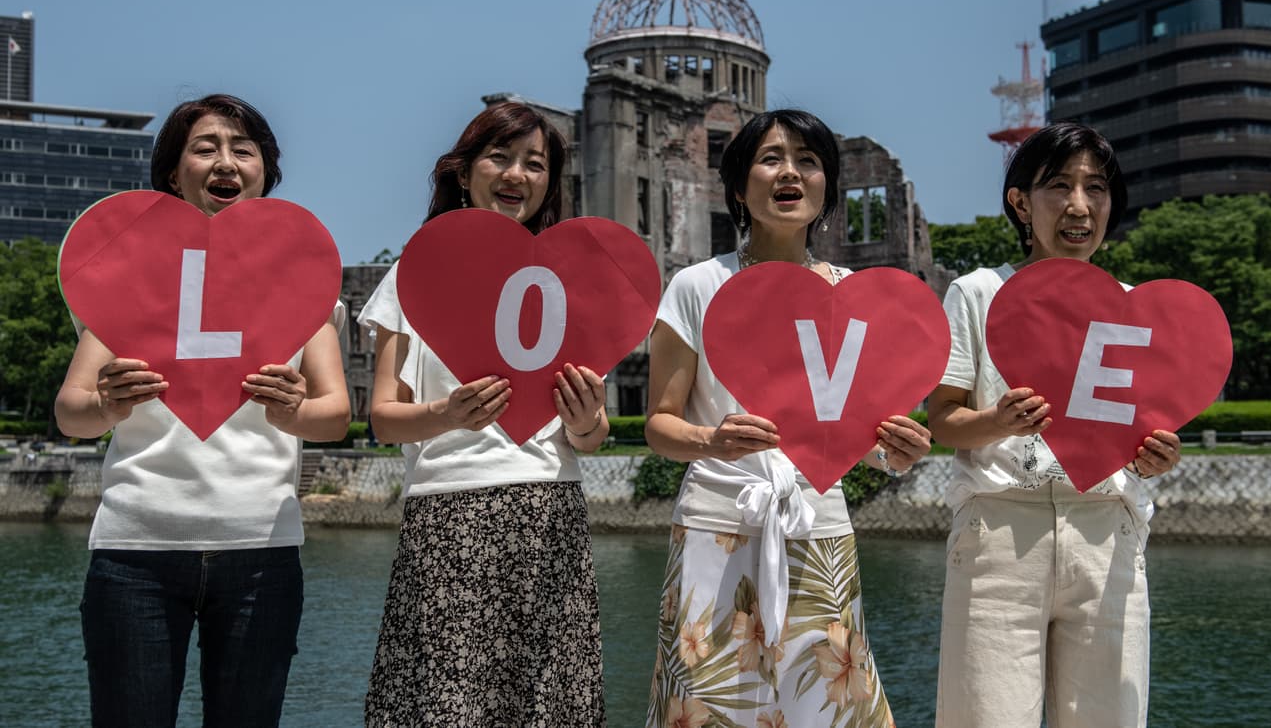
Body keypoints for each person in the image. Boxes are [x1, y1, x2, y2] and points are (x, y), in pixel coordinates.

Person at [54, 93, 351, 728]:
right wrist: (105, 402)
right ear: (171, 173)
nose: (227, 162)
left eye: (244, 151)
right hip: (135, 548)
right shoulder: (130, 281)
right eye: (206, 148)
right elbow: (71, 411)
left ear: (265, 174)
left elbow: (334, 416)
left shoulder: (303, 288)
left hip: (262, 552)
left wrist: (295, 410)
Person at [644, 109, 931, 728]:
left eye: (808, 160)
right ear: (739, 186)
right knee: (707, 704)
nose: (790, 172)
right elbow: (660, 424)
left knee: (829, 706)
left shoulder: (853, 294)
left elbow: (864, 430)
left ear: (827, 184)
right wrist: (710, 439)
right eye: (771, 158)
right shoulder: (697, 285)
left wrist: (895, 451)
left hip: (818, 525)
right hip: (716, 525)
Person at [361, 101, 609, 728]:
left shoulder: (566, 280)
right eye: (500, 157)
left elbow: (591, 438)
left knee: (550, 706)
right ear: (463, 170)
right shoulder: (414, 272)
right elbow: (385, 419)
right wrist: (447, 413)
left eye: (535, 163)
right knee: (446, 705)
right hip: (449, 512)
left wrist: (586, 420)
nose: (516, 175)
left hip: (551, 509)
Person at [930, 122, 1183, 728]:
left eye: (1096, 188)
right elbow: (943, 420)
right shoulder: (978, 293)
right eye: (1059, 186)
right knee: (984, 716)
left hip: (1107, 532)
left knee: (1110, 717)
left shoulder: (1131, 304)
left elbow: (1139, 432)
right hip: (998, 533)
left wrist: (1156, 454)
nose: (1080, 205)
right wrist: (994, 421)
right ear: (1020, 202)